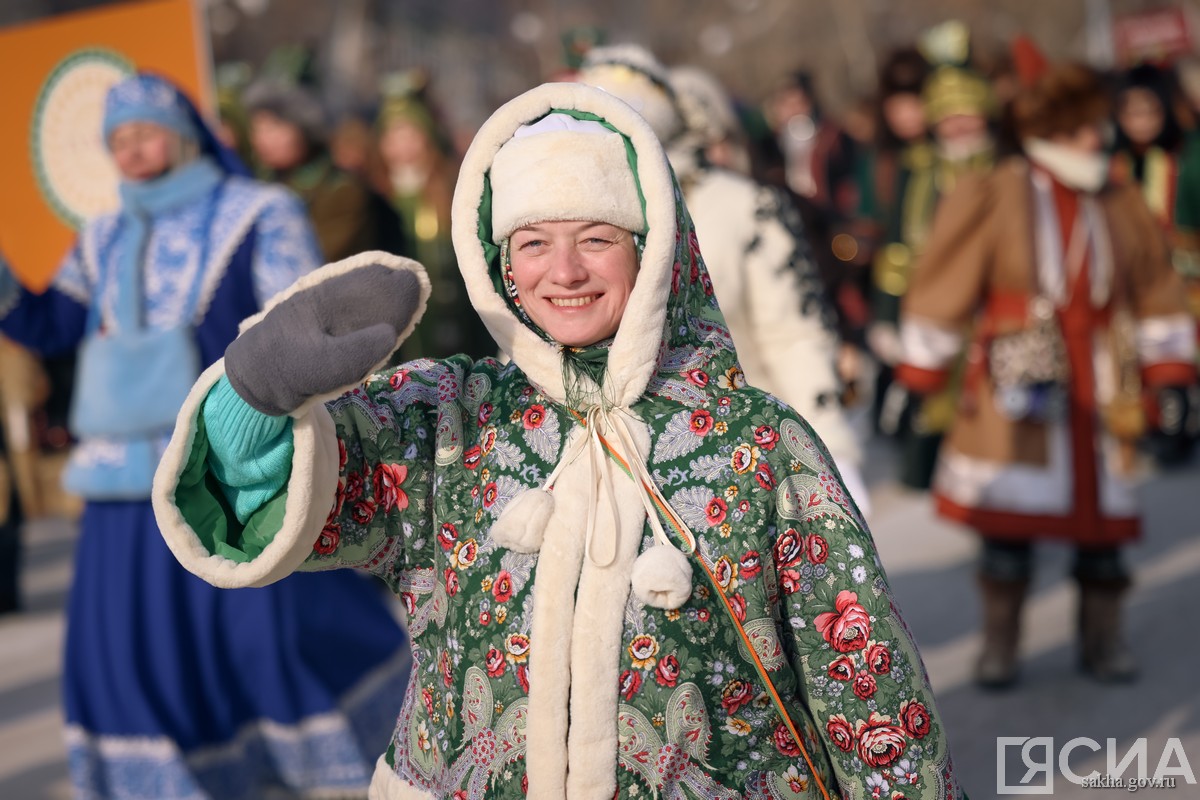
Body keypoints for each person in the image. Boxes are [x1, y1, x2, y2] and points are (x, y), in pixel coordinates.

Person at [154, 82, 962, 799]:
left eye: (597, 238)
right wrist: (255, 394)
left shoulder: (761, 443)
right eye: (534, 243)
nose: (565, 271)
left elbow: (867, 684)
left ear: (651, 250)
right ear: (501, 266)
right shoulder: (448, 420)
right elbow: (284, 502)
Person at [0, 73, 409, 798]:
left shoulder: (258, 212)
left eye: (145, 133)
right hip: (121, 485)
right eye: (118, 140)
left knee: (270, 637)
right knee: (127, 652)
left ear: (183, 132)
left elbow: (292, 321)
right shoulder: (102, 234)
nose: (132, 151)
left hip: (228, 467)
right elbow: (50, 324)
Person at [894, 62, 1197, 688]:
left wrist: (1171, 374)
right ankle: (1000, 646)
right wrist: (919, 375)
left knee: (1104, 533)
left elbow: (1154, 286)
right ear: (1053, 130)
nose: (1098, 137)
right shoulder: (998, 191)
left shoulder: (1117, 195)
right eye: (1084, 127)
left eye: (1097, 124)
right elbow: (947, 280)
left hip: (1103, 380)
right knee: (1007, 529)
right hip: (1017, 380)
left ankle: (1103, 640)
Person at [575, 46, 870, 516]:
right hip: (606, 480)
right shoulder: (563, 225)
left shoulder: (742, 205)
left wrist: (831, 449)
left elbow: (792, 334)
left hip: (742, 466)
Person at [869, 61, 996, 490]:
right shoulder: (919, 170)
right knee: (930, 407)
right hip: (931, 307)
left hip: (995, 309)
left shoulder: (1006, 168)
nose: (959, 126)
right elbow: (897, 247)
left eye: (967, 114)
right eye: (948, 116)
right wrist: (887, 316)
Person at [376, 86, 494, 361]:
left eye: (411, 135)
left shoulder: (448, 186)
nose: (403, 146)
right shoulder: (378, 192)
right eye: (393, 137)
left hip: (452, 315)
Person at [244, 78, 407, 263]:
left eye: (274, 127)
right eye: (257, 129)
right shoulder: (261, 185)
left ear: (303, 128)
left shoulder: (341, 189)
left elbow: (318, 259)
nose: (263, 139)